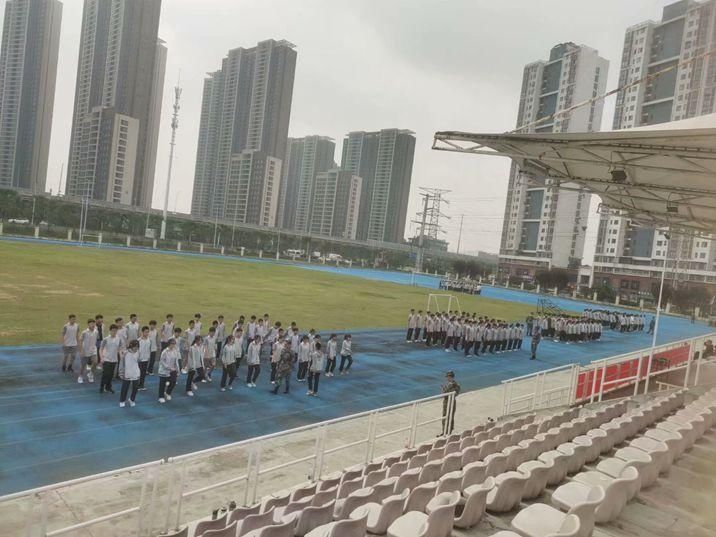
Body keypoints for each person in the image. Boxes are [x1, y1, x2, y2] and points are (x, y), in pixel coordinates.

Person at [99, 324, 121, 394]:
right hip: (107, 359)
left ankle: (108, 387)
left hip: (114, 359)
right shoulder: (106, 339)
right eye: (112, 331)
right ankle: (102, 387)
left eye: (115, 331)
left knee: (111, 375)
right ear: (110, 331)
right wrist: (101, 358)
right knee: (106, 374)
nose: (114, 332)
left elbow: (119, 348)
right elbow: (101, 348)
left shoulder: (118, 339)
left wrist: (121, 355)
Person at [119, 339, 141, 407]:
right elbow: (121, 363)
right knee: (125, 388)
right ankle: (122, 400)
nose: (136, 348)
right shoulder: (125, 353)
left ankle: (132, 399)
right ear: (131, 346)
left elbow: (138, 361)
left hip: (135, 373)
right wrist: (121, 372)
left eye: (137, 347)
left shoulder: (138, 352)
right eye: (135, 346)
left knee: (135, 388)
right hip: (127, 373)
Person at [158, 338, 180, 403]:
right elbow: (162, 361)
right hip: (164, 371)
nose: (173, 345)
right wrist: (169, 368)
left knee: (173, 382)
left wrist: (178, 370)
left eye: (174, 344)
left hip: (172, 370)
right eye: (172, 344)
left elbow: (176, 361)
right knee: (162, 384)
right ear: (169, 344)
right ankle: (161, 397)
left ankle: (167, 393)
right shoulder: (164, 352)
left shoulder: (175, 351)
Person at [77, 318, 98, 384]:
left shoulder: (96, 331)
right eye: (91, 323)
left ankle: (90, 374)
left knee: (95, 362)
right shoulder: (84, 332)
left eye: (93, 323)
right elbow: (80, 341)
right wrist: (81, 350)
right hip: (85, 351)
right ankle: (80, 376)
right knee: (83, 365)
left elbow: (96, 339)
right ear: (88, 324)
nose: (93, 325)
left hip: (93, 351)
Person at [441, 371, 461, 435]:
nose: (447, 378)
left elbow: (445, 393)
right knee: (446, 416)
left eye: (448, 377)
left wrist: (445, 388)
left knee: (449, 417)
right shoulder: (454, 384)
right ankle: (445, 431)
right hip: (448, 402)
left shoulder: (454, 385)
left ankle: (448, 431)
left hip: (450, 401)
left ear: (451, 377)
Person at [137, 326, 151, 390]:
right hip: (139, 359)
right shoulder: (139, 340)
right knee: (138, 373)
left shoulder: (149, 340)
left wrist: (148, 356)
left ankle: (141, 385)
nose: (147, 333)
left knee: (143, 373)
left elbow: (149, 349)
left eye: (148, 332)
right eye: (145, 332)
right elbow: (136, 350)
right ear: (142, 332)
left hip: (146, 359)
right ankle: (136, 385)